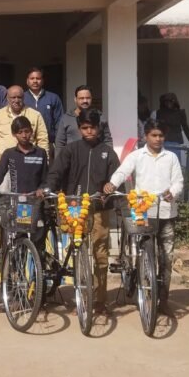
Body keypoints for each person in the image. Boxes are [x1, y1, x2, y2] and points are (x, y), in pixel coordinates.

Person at [103, 119, 184, 312]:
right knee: (143, 252)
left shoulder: (171, 157)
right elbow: (123, 172)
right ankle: (143, 288)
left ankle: (163, 300)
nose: (158, 139)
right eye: (154, 135)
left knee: (166, 257)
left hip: (166, 212)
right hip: (142, 212)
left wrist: (172, 192)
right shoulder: (136, 156)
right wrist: (112, 184)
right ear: (146, 136)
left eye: (161, 135)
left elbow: (179, 182)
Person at [45, 109, 119, 315]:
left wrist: (110, 193)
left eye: (92, 127)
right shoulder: (70, 150)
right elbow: (56, 173)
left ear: (99, 128)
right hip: (74, 208)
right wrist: (49, 188)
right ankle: (82, 296)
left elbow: (117, 180)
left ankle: (100, 301)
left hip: (99, 210)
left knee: (100, 254)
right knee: (79, 253)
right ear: (79, 129)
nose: (89, 131)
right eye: (85, 128)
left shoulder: (108, 152)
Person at [0, 117, 50, 250]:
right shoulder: (9, 154)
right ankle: (17, 270)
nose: (24, 135)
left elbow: (46, 179)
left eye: (27, 131)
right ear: (14, 134)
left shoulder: (40, 153)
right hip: (17, 204)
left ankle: (38, 269)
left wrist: (42, 189)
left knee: (38, 243)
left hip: (36, 203)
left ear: (31, 131)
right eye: (20, 132)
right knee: (19, 241)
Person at [0, 85, 50, 171]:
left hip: (29, 162)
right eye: (13, 97)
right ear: (7, 98)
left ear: (23, 97)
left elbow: (42, 140)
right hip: (4, 164)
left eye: (19, 97)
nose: (16, 100)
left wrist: (45, 161)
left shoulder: (35, 115)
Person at [55, 84, 113, 149]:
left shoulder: (100, 117)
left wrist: (108, 156)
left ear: (91, 98)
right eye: (81, 98)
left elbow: (107, 140)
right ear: (75, 99)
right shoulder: (66, 119)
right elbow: (60, 143)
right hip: (72, 157)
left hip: (95, 156)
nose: (85, 101)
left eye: (88, 98)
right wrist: (60, 158)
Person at [152, 92, 189, 161]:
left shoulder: (180, 113)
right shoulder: (159, 113)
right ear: (163, 102)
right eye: (166, 101)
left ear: (175, 101)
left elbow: (185, 127)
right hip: (163, 142)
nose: (168, 103)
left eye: (171, 101)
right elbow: (156, 128)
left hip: (175, 142)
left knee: (175, 164)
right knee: (164, 164)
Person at [24, 67, 64, 139]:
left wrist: (57, 141)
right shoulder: (22, 98)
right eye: (32, 78)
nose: (35, 81)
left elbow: (59, 122)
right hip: (26, 141)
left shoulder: (53, 98)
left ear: (42, 81)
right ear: (27, 81)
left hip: (49, 141)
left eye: (38, 78)